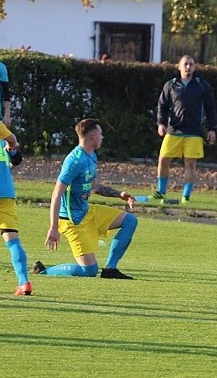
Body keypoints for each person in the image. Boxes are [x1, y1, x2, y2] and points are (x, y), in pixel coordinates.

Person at [33, 118, 138, 279]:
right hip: (72, 221)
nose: (103, 137)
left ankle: (110, 269)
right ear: (93, 137)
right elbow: (56, 193)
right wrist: (53, 227)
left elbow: (93, 185)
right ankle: (43, 272)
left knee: (130, 221)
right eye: (101, 134)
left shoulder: (91, 156)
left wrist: (120, 194)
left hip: (87, 211)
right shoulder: (74, 161)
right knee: (89, 271)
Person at [153, 54, 217, 204]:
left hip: (194, 131)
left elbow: (210, 108)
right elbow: (162, 105)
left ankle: (186, 196)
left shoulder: (202, 85)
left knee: (190, 163)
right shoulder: (171, 84)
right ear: (179, 67)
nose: (188, 67)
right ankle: (161, 192)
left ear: (194, 67)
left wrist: (212, 129)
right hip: (174, 129)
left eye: (191, 64)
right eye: (185, 64)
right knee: (163, 159)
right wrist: (161, 123)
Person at [0, 138, 32, 295]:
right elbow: (16, 159)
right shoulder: (3, 138)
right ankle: (24, 283)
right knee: (13, 242)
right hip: (6, 194)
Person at [0, 58, 20, 149]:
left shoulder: (0, 67)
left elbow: (6, 94)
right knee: (12, 140)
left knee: (12, 141)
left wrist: (7, 115)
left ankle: (13, 158)